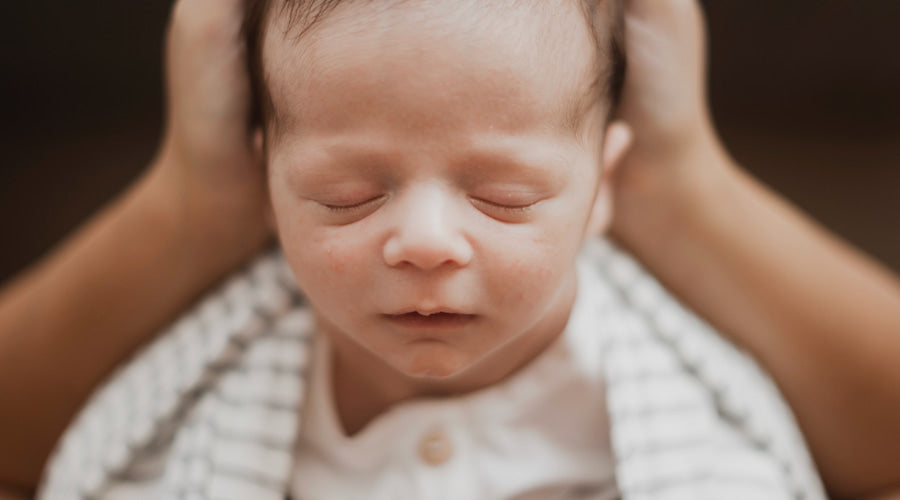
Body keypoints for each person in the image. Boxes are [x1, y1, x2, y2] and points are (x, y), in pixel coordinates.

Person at [0, 0, 898, 498]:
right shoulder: (184, 412)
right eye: (346, 197)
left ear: (605, 185)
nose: (425, 242)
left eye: (503, 197)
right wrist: (191, 199)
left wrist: (690, 181)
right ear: (265, 182)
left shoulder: (697, 426)